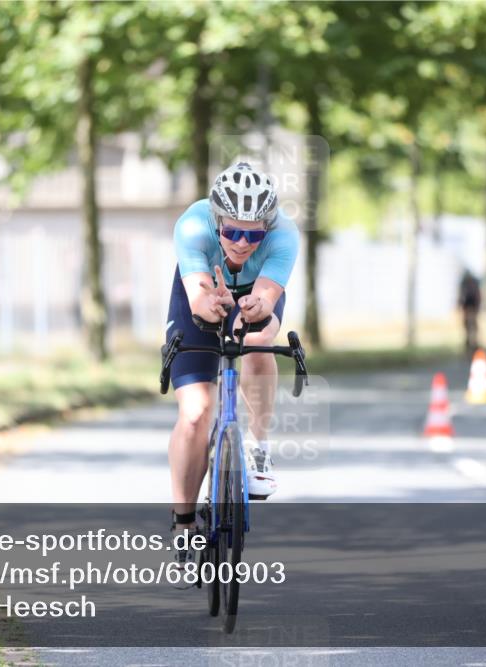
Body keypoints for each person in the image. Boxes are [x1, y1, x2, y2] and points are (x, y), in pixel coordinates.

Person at [165, 161, 299, 579]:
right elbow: (200, 301)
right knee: (194, 414)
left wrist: (251, 310)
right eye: (232, 232)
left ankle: (258, 447)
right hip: (202, 294)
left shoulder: (284, 235)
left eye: (253, 233)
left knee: (259, 340)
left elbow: (266, 295)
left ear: (267, 227)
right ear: (216, 220)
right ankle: (184, 521)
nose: (242, 243)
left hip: (254, 300)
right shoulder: (193, 226)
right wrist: (214, 302)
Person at [458, 270, 481, 354]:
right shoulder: (468, 283)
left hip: (471, 306)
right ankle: (470, 344)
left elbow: (477, 295)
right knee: (469, 327)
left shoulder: (467, 283)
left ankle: (472, 344)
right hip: (469, 307)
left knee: (471, 327)